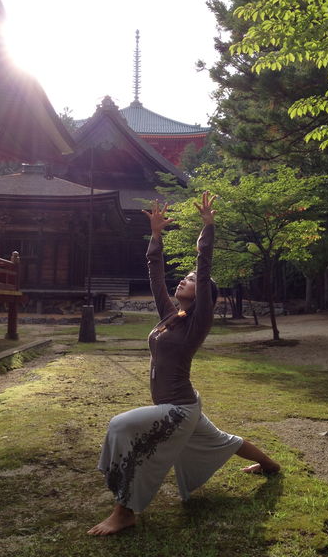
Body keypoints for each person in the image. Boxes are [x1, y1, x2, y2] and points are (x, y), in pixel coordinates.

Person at [88, 191, 280, 536]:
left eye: (190, 280)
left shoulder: (198, 321)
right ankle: (270, 466)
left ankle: (124, 512)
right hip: (185, 404)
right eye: (185, 277)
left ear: (202, 293)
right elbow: (155, 276)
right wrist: (155, 236)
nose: (184, 280)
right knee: (224, 440)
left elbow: (204, 272)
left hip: (178, 409)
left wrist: (208, 229)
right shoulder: (171, 316)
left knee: (124, 430)